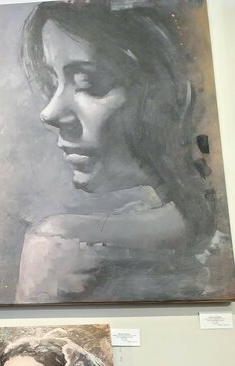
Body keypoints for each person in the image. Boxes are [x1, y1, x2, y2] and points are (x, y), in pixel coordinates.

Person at [15, 2, 235, 303]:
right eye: (53, 83)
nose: (49, 113)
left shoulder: (58, 241)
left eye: (87, 83)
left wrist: (57, 237)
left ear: (168, 98)